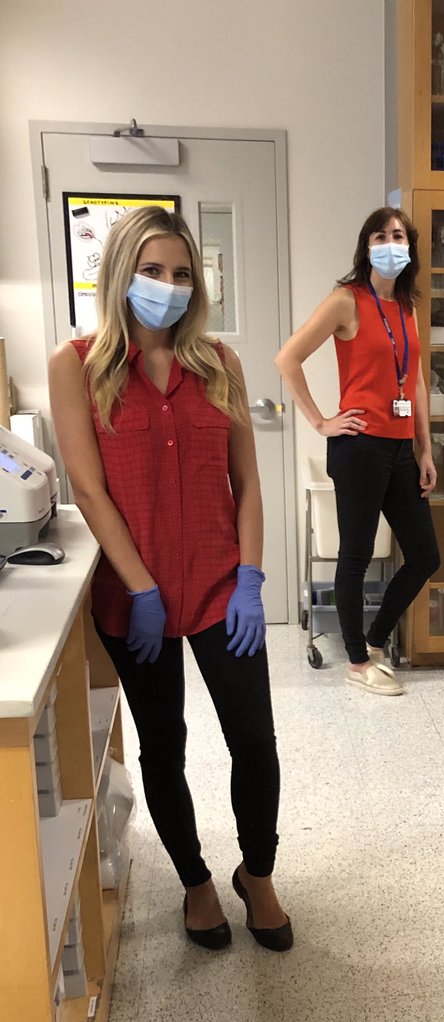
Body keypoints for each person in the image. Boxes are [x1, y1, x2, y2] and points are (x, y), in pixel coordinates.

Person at [50, 206, 292, 953]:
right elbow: (87, 490)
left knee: (255, 740)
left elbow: (248, 484)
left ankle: (257, 873)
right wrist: (142, 587)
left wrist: (251, 577)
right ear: (121, 273)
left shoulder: (220, 362)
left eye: (182, 274)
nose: (168, 286)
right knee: (165, 744)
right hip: (135, 595)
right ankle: (194, 882)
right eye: (152, 271)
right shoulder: (77, 366)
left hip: (222, 586)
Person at [275, 206, 440, 695]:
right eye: (380, 235)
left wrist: (425, 449)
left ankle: (373, 640)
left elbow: (418, 384)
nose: (391, 242)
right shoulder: (346, 300)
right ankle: (356, 662)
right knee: (356, 556)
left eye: (399, 235)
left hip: (401, 451)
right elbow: (288, 358)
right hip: (359, 447)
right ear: (365, 246)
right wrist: (322, 421)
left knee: (425, 557)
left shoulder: (408, 306)